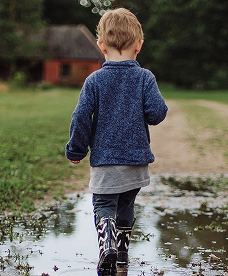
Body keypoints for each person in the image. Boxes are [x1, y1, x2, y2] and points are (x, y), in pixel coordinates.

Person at [65, 7, 168, 276]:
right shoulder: (145, 77)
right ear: (139, 46)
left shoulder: (94, 81)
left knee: (104, 205)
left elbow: (80, 117)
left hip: (106, 161)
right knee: (126, 205)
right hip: (136, 163)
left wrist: (76, 148)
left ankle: (107, 246)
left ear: (101, 46)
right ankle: (122, 253)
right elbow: (157, 113)